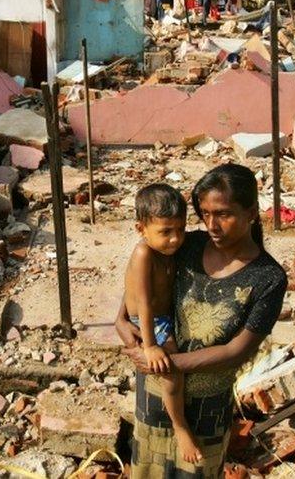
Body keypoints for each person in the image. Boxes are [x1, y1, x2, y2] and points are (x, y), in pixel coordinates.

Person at [116, 163, 288, 478]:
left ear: (251, 212)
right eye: (205, 214)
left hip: (206, 407)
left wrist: (166, 363)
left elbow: (236, 352)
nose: (212, 224)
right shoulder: (187, 245)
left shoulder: (267, 278)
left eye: (222, 214)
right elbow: (142, 285)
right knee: (147, 470)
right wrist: (122, 322)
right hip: (155, 392)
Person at [121, 184, 202, 464]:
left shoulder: (169, 250)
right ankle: (180, 427)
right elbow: (143, 303)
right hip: (150, 321)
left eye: (180, 229)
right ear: (140, 229)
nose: (175, 239)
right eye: (165, 232)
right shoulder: (144, 254)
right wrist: (151, 346)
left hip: (164, 317)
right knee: (171, 371)